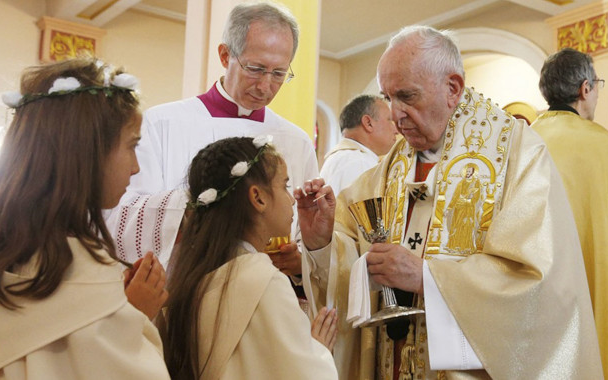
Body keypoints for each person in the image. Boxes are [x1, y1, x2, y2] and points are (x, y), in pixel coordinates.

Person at [298, 26, 603, 379]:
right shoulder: (391, 167)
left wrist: (428, 278)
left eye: (407, 97)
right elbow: (354, 247)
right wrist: (321, 241)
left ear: (453, 88)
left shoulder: (516, 154)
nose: (396, 116)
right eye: (388, 98)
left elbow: (539, 282)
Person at [0, 59, 170, 379]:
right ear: (87, 153)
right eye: (132, 146)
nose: (135, 167)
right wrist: (135, 319)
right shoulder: (83, 272)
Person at [111, 2, 318, 280]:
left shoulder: (297, 141)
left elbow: (306, 235)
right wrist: (192, 212)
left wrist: (298, 262)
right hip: (183, 290)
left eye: (279, 73)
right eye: (255, 68)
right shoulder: (163, 123)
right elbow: (123, 212)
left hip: (264, 293)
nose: (265, 86)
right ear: (225, 55)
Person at [159, 136, 338, 380]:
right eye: (284, 186)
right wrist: (319, 352)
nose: (290, 200)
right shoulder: (263, 282)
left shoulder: (191, 275)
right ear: (258, 198)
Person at [530, 47, 608, 380]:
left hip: (539, 298)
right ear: (585, 88)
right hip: (598, 291)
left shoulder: (524, 143)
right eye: (598, 85)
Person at [320, 95, 397, 195]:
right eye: (389, 120)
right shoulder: (360, 163)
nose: (396, 131)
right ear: (368, 123)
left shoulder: (342, 157)